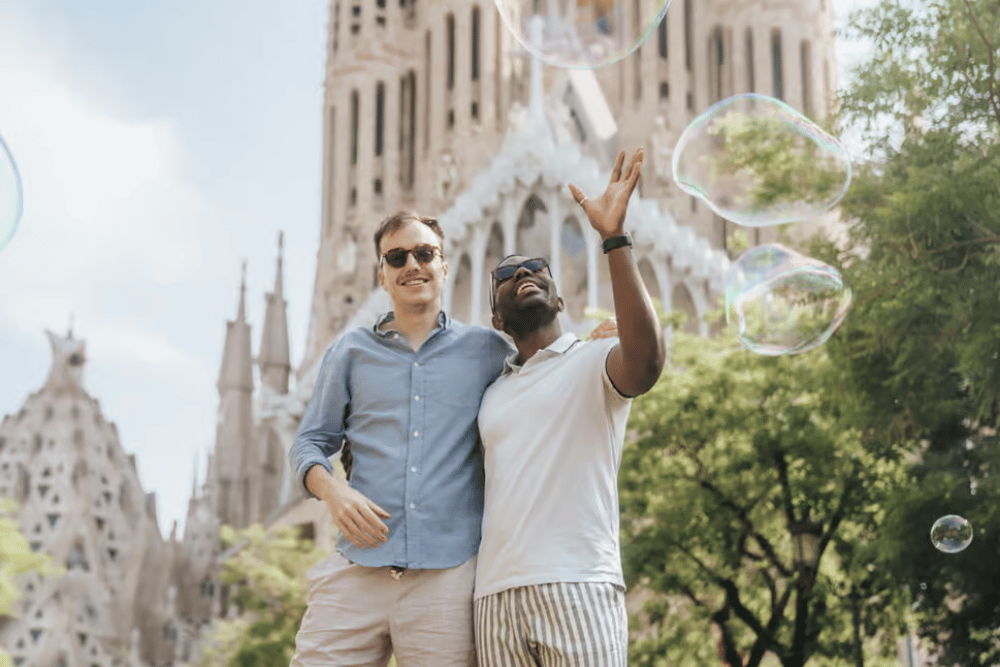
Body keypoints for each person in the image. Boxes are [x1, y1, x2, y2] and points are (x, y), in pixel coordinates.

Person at [287, 211, 615, 666]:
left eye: (425, 253)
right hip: (357, 570)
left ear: (444, 266)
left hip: (447, 581)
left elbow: (544, 373)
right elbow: (308, 444)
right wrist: (335, 492)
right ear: (383, 275)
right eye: (396, 257)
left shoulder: (488, 350)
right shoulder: (350, 352)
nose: (412, 265)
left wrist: (600, 341)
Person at [474, 148, 666, 667]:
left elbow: (646, 362)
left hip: (579, 583)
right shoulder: (490, 393)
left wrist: (614, 239)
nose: (523, 272)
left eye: (537, 268)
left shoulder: (594, 360)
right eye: (506, 275)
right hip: (494, 599)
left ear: (560, 301)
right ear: (496, 318)